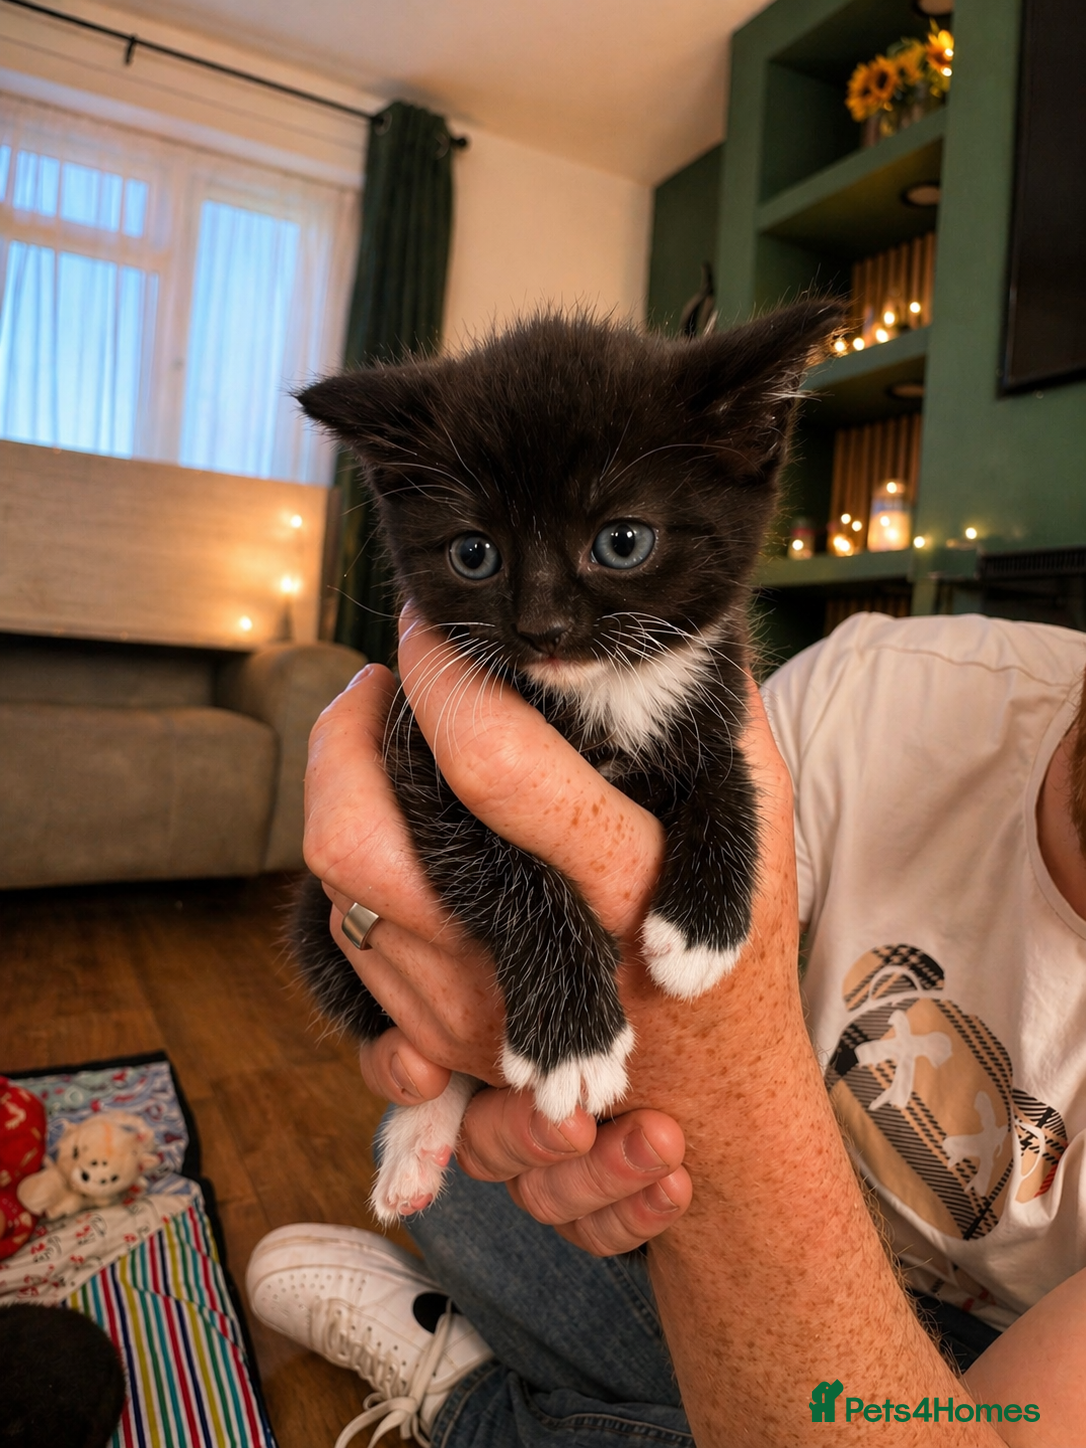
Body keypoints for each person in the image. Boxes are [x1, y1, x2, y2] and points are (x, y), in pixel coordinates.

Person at [247, 608, 1086, 1447]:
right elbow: (632, 897)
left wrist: (703, 1081)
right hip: (730, 1195)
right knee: (457, 1190)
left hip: (1010, 1360)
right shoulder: (885, 684)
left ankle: (474, 1404)